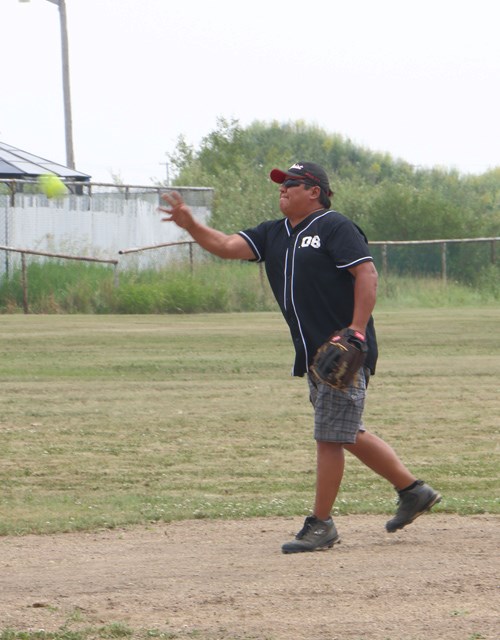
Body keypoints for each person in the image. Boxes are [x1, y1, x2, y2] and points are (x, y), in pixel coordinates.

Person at [159, 161, 441, 554]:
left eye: (291, 183)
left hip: (345, 349)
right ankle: (414, 491)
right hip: (315, 353)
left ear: (314, 190)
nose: (282, 189)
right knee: (345, 430)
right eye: (280, 184)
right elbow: (224, 246)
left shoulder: (334, 226)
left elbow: (366, 274)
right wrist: (190, 224)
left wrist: (357, 330)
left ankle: (321, 524)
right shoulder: (273, 234)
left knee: (329, 435)